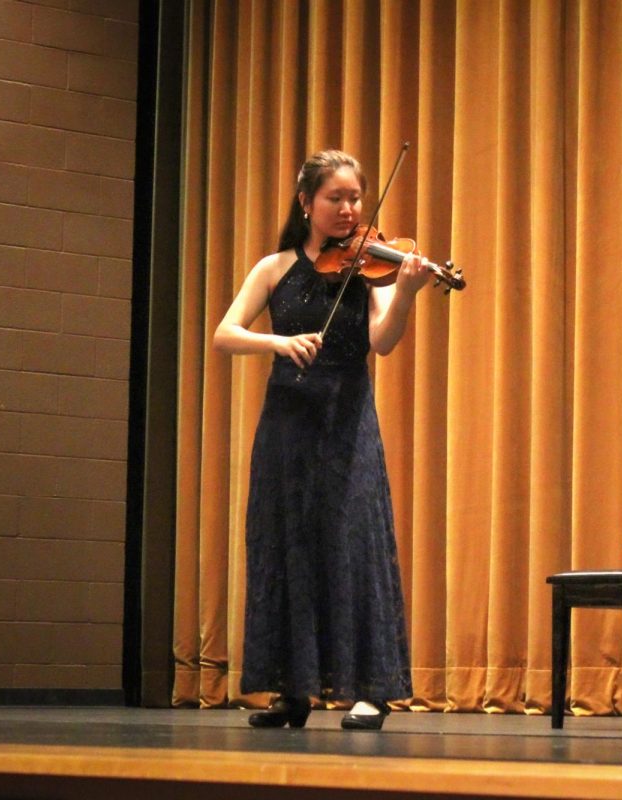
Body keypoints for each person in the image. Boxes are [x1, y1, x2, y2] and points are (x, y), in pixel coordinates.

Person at [213, 150, 431, 731]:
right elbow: (224, 334)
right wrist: (278, 345)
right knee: (288, 548)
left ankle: (370, 690)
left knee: (352, 547)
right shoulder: (273, 267)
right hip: (286, 428)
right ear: (306, 203)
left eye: (355, 198)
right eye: (335, 198)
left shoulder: (372, 267)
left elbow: (382, 342)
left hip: (347, 424)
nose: (349, 209)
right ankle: (294, 688)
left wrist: (407, 291)